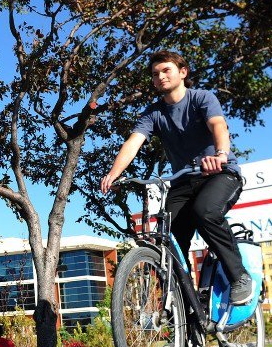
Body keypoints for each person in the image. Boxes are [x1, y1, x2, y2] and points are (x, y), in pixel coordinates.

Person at [100, 50, 253, 305]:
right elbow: (133, 143)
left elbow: (218, 126)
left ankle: (239, 277)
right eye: (155, 74)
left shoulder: (202, 98)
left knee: (205, 212)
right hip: (183, 182)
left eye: (166, 70)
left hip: (219, 173)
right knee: (168, 239)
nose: (160, 76)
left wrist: (221, 154)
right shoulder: (153, 113)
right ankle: (186, 304)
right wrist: (114, 173)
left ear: (183, 72)